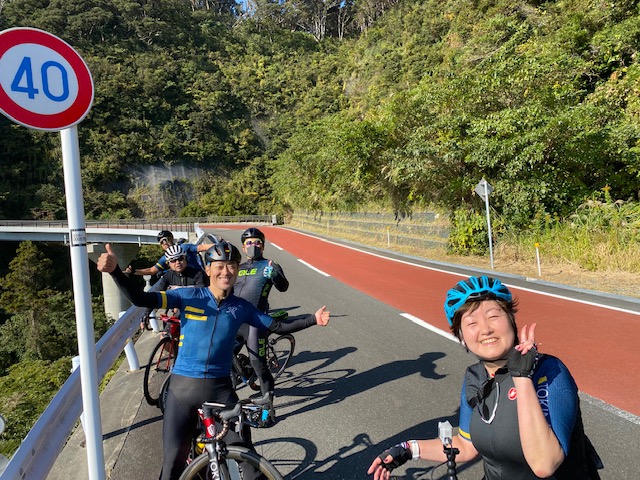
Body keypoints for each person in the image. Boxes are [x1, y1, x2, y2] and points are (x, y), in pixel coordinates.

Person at [96, 240, 330, 480]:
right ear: (207, 270)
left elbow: (278, 325)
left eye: (231, 266)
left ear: (237, 270)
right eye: (219, 266)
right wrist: (115, 272)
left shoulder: (241, 307)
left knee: (246, 454)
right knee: (173, 464)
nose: (225, 271)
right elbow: (142, 299)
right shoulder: (187, 296)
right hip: (182, 389)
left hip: (220, 390)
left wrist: (313, 318)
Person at [367, 275, 602, 480]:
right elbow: (466, 446)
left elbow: (545, 464)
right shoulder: (474, 377)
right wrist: (408, 449)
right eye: (471, 323)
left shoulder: (548, 372)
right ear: (461, 336)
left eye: (493, 316)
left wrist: (521, 377)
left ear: (511, 320)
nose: (486, 329)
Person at [233, 227, 289, 426]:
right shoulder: (237, 267)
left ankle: (268, 410)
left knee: (260, 366)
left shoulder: (270, 265)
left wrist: (274, 275)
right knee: (223, 357)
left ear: (263, 246)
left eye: (257, 242)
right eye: (249, 243)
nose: (253, 246)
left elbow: (283, 286)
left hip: (257, 321)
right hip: (234, 321)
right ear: (243, 247)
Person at [127, 230, 212, 278]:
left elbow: (202, 247)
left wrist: (222, 245)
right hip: (183, 282)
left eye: (167, 240)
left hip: (199, 278)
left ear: (172, 239)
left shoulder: (185, 247)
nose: (165, 243)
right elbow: (151, 270)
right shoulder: (165, 258)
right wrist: (134, 271)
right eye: (162, 242)